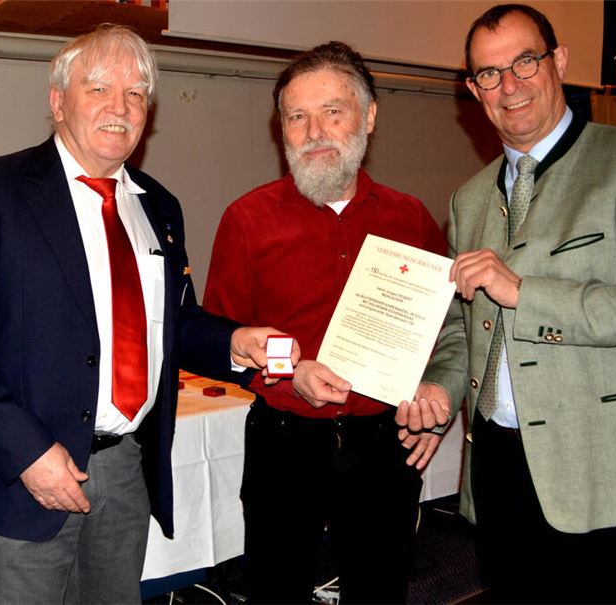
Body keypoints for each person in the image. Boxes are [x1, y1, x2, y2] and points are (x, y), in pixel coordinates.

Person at [0, 24, 295, 604]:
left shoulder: (159, 206)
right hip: (23, 478)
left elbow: (174, 323)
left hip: (125, 470)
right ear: (58, 101)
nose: (120, 108)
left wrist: (237, 341)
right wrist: (27, 452)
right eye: (100, 89)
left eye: (136, 94)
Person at [416, 4, 616, 602]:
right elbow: (460, 330)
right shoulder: (468, 199)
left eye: (524, 61)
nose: (509, 86)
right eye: (489, 74)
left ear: (559, 61)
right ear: (474, 89)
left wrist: (526, 293)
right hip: (501, 465)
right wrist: (440, 386)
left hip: (609, 466)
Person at [203, 41, 450, 604]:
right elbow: (220, 337)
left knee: (381, 589)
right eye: (297, 116)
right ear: (281, 129)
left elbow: (442, 332)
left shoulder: (408, 217)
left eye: (332, 112)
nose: (314, 130)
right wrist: (291, 372)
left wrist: (434, 401)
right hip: (284, 443)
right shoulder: (247, 220)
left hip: (384, 443)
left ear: (367, 117)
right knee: (276, 588)